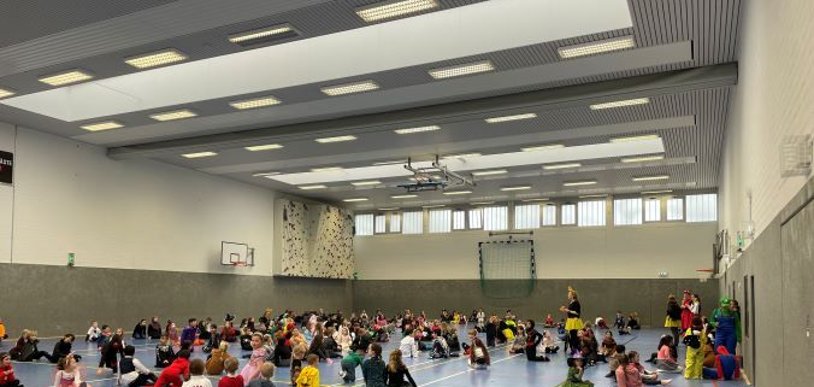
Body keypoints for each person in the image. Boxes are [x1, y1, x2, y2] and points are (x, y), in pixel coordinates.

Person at [560, 286, 583, 354]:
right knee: (572, 335)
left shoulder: (576, 302)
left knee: (574, 336)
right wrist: (565, 310)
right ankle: (574, 349)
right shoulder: (571, 302)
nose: (568, 295)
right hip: (570, 320)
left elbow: (577, 312)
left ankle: (575, 349)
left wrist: (568, 310)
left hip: (574, 321)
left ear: (572, 295)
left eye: (569, 294)